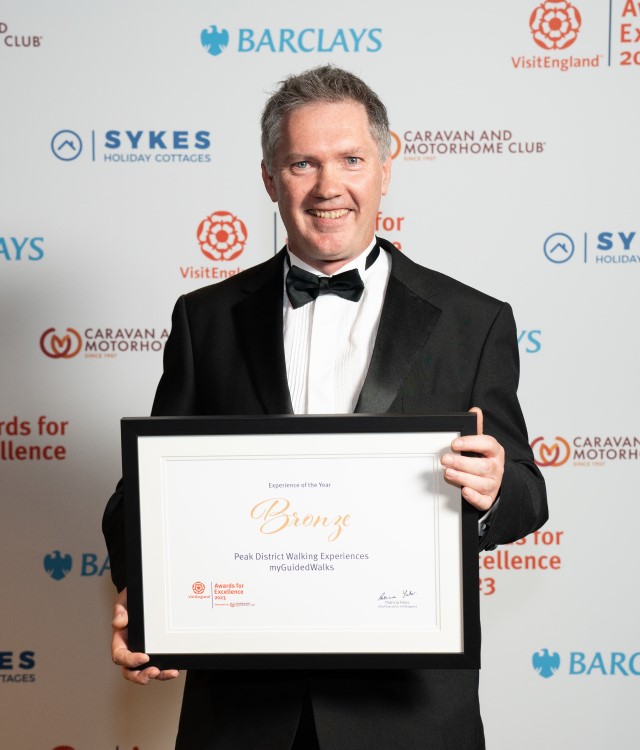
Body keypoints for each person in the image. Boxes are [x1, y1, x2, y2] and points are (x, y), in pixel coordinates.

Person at [103, 65, 547, 749]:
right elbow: (143, 493)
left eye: (350, 160)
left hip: (410, 713)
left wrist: (493, 489)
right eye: (302, 163)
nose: (328, 186)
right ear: (269, 178)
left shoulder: (473, 320)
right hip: (245, 714)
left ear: (386, 167)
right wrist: (146, 597)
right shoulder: (204, 318)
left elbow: (527, 494)